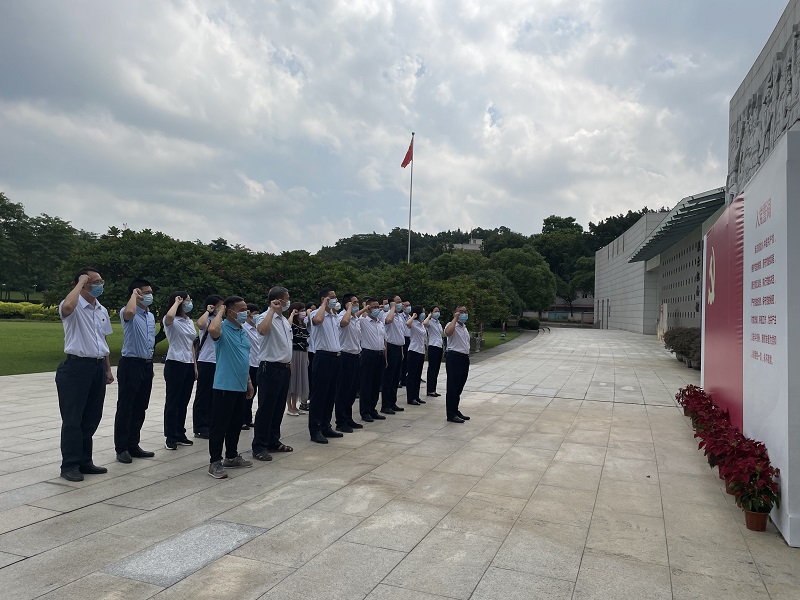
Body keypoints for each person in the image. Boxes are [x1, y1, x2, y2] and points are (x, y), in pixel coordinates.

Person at [55, 267, 115, 482]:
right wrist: (80, 282)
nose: (99, 285)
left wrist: (107, 368)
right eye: (94, 282)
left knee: (91, 417)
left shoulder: (101, 310)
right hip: (75, 368)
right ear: (80, 284)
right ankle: (69, 464)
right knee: (73, 419)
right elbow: (69, 306)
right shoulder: (71, 305)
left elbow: (103, 340)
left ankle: (85, 461)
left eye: (100, 281)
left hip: (97, 366)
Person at [206, 296, 254, 478]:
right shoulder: (223, 327)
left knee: (235, 424)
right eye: (241, 309)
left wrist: (248, 381)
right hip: (225, 386)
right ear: (230, 310)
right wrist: (220, 312)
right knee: (220, 425)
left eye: (246, 308)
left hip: (241, 385)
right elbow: (212, 329)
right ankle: (215, 461)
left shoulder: (242, 330)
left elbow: (244, 358)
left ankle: (231, 456)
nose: (245, 312)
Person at [114, 278, 157, 464]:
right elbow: (130, 311)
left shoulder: (150, 316)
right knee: (126, 407)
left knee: (141, 406)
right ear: (136, 293)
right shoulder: (128, 311)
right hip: (131, 363)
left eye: (149, 292)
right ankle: (121, 447)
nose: (149, 295)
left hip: (146, 364)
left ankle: (134, 444)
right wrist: (133, 295)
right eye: (145, 292)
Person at [252, 287, 295, 461]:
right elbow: (262, 330)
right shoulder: (264, 316)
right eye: (286, 299)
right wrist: (271, 310)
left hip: (284, 368)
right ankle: (259, 446)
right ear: (277, 300)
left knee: (278, 408)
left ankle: (273, 441)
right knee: (266, 408)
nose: (288, 302)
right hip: (269, 368)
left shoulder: (284, 320)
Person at [308, 288, 352, 443]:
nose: (335, 300)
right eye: (331, 298)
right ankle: (315, 429)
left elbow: (344, 324)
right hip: (323, 357)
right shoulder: (316, 314)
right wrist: (323, 305)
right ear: (323, 299)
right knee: (319, 395)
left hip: (336, 357)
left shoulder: (333, 316)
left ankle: (326, 425)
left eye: (335, 297)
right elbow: (318, 321)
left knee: (330, 394)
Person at [162, 291, 197, 450]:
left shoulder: (188, 321)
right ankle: (170, 436)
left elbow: (192, 345)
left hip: (188, 363)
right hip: (175, 361)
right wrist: (176, 303)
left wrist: (195, 366)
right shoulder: (171, 320)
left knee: (183, 401)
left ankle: (180, 432)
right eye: (187, 300)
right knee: (173, 401)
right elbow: (169, 318)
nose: (189, 303)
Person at [335, 293, 366, 433]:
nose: (356, 305)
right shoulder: (342, 316)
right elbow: (344, 323)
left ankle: (348, 417)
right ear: (347, 303)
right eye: (354, 302)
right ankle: (340, 421)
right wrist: (348, 309)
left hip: (356, 355)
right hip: (345, 357)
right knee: (343, 390)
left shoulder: (355, 318)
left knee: (352, 390)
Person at [193, 294, 222, 439]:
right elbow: (200, 324)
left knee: (214, 395)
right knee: (203, 395)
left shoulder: (220, 320)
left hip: (218, 361)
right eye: (219, 305)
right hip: (206, 360)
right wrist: (208, 311)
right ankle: (200, 426)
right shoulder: (208, 319)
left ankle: (211, 423)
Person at [359, 298, 387, 423]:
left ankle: (372, 409)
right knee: (366, 384)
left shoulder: (380, 323)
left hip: (380, 355)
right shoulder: (363, 321)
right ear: (368, 308)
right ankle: (365, 411)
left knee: (376, 385)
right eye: (374, 307)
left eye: (378, 307)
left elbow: (384, 341)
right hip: (368, 354)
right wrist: (364, 308)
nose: (377, 309)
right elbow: (355, 316)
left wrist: (385, 358)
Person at [444, 305, 471, 423]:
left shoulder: (464, 327)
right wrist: (455, 319)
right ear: (455, 313)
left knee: (459, 386)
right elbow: (448, 333)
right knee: (452, 387)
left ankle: (455, 409)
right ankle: (451, 414)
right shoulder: (451, 325)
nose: (464, 314)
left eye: (465, 312)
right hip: (454, 357)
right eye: (461, 312)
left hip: (464, 358)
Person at [380, 295, 405, 414]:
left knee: (396, 377)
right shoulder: (386, 314)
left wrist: (402, 351)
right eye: (397, 302)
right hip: (390, 348)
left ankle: (392, 402)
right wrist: (392, 308)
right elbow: (388, 321)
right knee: (388, 378)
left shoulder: (400, 317)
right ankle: (385, 405)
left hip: (399, 348)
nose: (400, 304)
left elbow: (400, 335)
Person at [287, 301, 310, 416]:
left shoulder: (304, 325)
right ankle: (289, 407)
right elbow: (288, 327)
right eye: (300, 310)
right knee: (292, 380)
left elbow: (306, 341)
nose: (303, 312)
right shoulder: (292, 324)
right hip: (293, 353)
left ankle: (295, 406)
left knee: (299, 380)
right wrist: (292, 314)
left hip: (302, 353)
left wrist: (306, 356)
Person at [242, 303, 261, 430]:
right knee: (245, 393)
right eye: (254, 314)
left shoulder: (258, 328)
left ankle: (248, 419)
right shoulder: (244, 327)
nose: (256, 317)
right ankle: (241, 419)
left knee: (252, 393)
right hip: (248, 364)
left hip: (258, 363)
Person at [404, 304, 428, 406]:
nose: (423, 314)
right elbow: (407, 324)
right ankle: (410, 397)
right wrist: (413, 316)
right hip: (413, 350)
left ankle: (416, 396)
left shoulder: (421, 324)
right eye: (422, 312)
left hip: (421, 351)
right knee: (412, 375)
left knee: (418, 375)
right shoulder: (413, 322)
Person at [425, 306, 444, 397]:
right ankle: (430, 390)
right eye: (435, 311)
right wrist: (429, 316)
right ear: (431, 312)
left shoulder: (438, 323)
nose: (437, 313)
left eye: (438, 311)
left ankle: (433, 389)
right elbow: (424, 323)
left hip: (439, 346)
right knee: (432, 368)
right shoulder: (430, 322)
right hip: (433, 346)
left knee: (436, 369)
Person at [302, 302, 317, 412]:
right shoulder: (307, 319)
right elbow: (308, 323)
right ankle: (305, 400)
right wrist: (308, 313)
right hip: (310, 351)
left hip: (316, 350)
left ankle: (312, 398)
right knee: (309, 376)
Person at [399, 300, 412, 387]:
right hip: (403, 338)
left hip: (409, 338)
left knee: (407, 360)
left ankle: (404, 379)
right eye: (406, 305)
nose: (408, 307)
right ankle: (400, 378)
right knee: (402, 360)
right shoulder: (400, 316)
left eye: (409, 305)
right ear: (403, 307)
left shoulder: (410, 317)